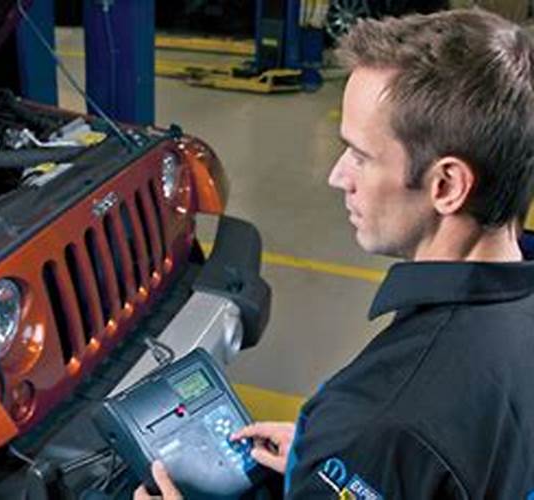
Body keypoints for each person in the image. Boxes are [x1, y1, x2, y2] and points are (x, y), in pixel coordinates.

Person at [135, 8, 534, 499]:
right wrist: (327, 461)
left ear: (447, 185)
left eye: (361, 156)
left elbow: (404, 438)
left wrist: (358, 454)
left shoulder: (384, 420)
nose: (337, 176)